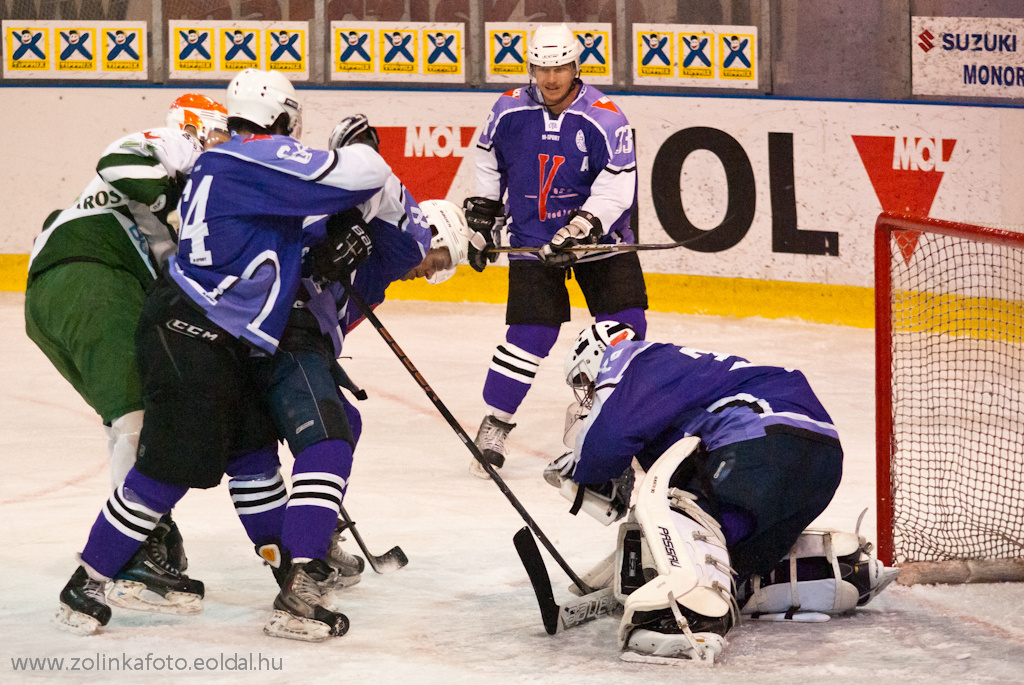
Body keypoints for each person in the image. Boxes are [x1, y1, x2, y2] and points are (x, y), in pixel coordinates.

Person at [54, 69, 426, 642]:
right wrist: (356, 147)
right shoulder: (254, 158)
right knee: (167, 469)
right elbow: (364, 174)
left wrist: (332, 238)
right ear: (282, 119)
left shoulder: (223, 162)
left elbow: (275, 229)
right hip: (193, 331)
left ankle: (296, 575)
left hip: (213, 335)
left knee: (252, 452)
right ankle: (89, 579)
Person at [544, 322, 898, 663]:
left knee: (682, 514)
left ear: (594, 356)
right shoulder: (682, 369)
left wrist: (584, 471)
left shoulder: (629, 359)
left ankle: (688, 619)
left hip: (763, 444)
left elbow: (610, 437)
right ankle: (832, 570)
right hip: (820, 458)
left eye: (585, 384)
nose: (589, 394)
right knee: (734, 554)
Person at [26, 94, 228, 603]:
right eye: (220, 135)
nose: (227, 147)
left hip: (67, 293)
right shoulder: (172, 146)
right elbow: (114, 159)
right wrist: (174, 193)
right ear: (195, 128)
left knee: (126, 418)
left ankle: (145, 534)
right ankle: (133, 550)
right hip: (90, 274)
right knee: (138, 415)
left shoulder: (185, 205)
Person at [463, 23, 648, 478]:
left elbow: (619, 180)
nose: (551, 78)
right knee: (530, 335)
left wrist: (586, 223)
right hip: (531, 237)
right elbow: (488, 156)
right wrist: (485, 215)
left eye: (560, 67)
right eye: (542, 68)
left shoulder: (605, 116)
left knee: (626, 329)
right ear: (531, 68)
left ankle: (613, 425)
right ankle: (496, 423)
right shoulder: (507, 109)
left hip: (600, 241)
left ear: (576, 65)